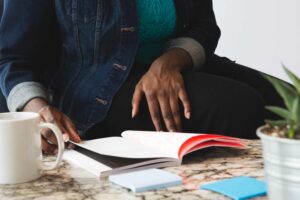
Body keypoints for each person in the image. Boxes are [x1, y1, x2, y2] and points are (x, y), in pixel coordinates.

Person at [0, 0, 283, 154]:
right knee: (240, 106)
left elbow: (204, 27)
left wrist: (169, 63)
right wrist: (38, 111)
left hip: (174, 64)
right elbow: (12, 55)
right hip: (98, 88)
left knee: (287, 102)